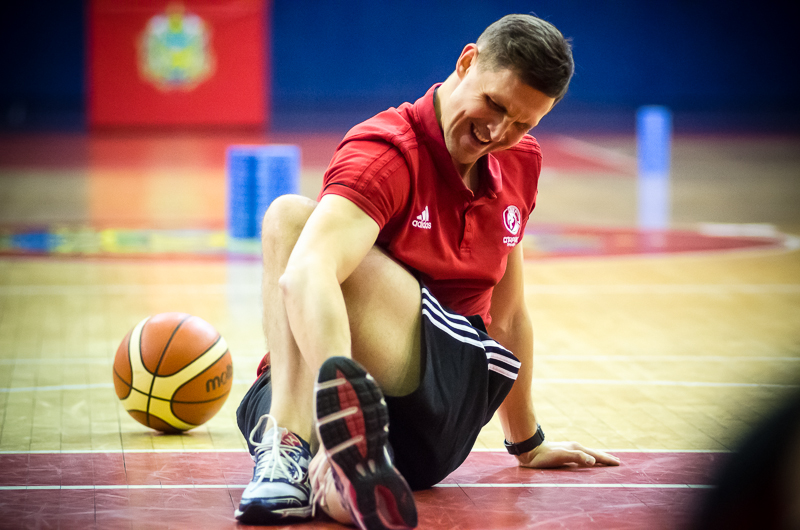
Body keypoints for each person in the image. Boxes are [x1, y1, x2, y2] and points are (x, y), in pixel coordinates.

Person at [234, 13, 621, 529]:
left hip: (441, 404)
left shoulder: (520, 161)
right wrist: (339, 418)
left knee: (290, 218)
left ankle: (311, 447)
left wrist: (528, 442)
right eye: (495, 104)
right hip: (320, 396)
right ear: (467, 62)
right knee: (290, 228)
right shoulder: (385, 153)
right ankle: (322, 472)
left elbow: (508, 315)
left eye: (522, 123)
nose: (498, 131)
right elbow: (304, 276)